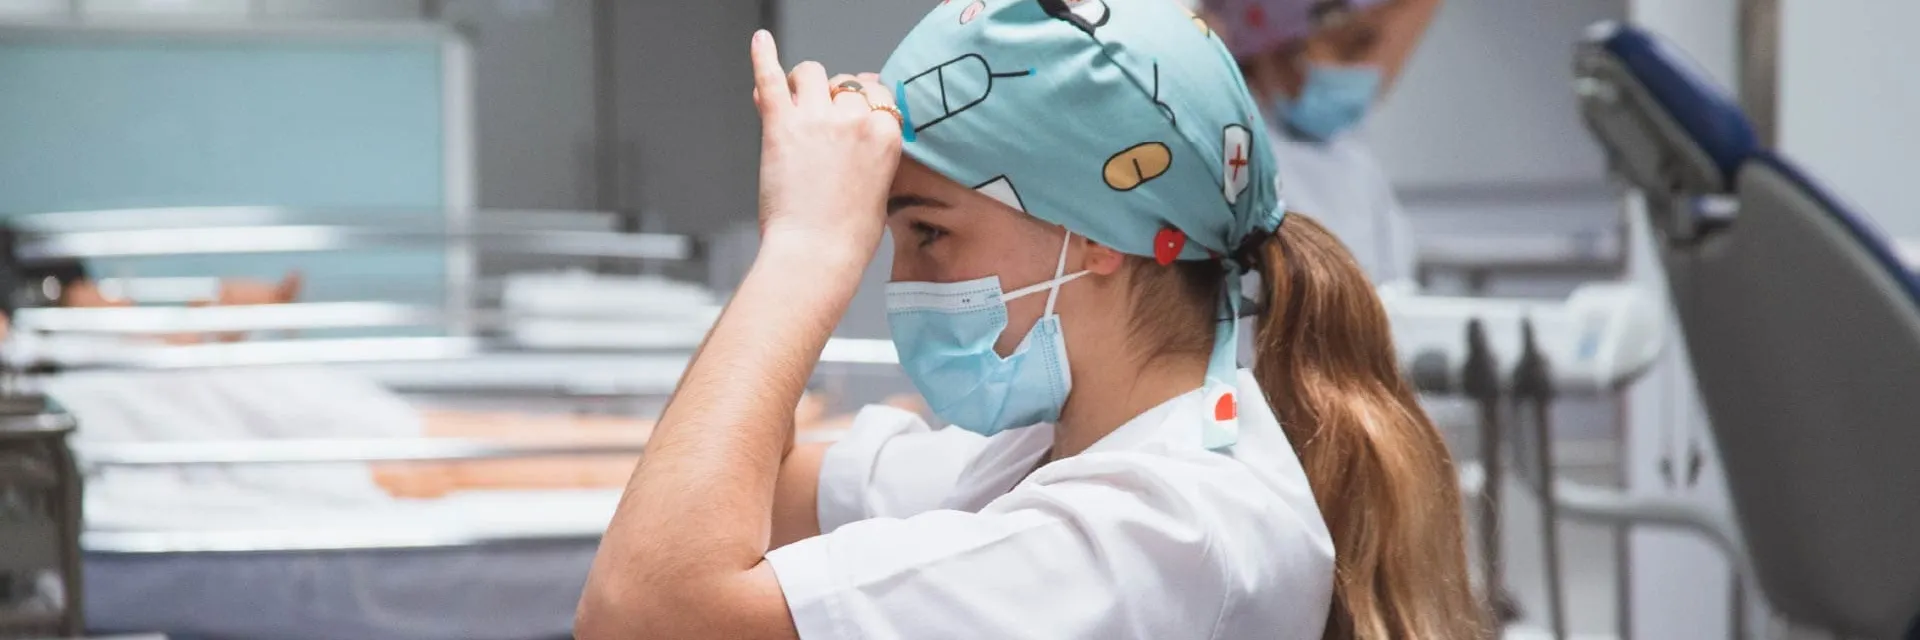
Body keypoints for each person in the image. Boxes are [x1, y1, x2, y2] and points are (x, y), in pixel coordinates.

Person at [577, 1, 1481, 638]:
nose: (905, 279)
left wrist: (807, 249)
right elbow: (738, 488)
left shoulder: (1160, 530)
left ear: (1096, 238)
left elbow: (648, 610)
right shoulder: (1059, 451)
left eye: (928, 231)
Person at [1204, 0, 1441, 284]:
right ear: (1274, 50)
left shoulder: (1351, 161)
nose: (1372, 68)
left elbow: (1392, 293)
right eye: (1354, 45)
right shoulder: (1227, 161)